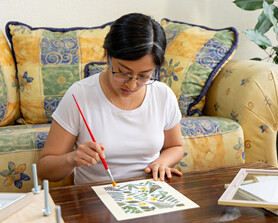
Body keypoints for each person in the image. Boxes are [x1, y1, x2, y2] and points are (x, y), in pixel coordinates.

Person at [38, 13, 184, 185]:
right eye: (123, 73)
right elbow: (44, 170)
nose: (132, 85)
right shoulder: (79, 95)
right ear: (107, 55)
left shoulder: (162, 95)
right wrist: (72, 159)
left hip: (148, 195)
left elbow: (176, 146)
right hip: (95, 199)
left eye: (144, 76)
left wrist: (161, 162)